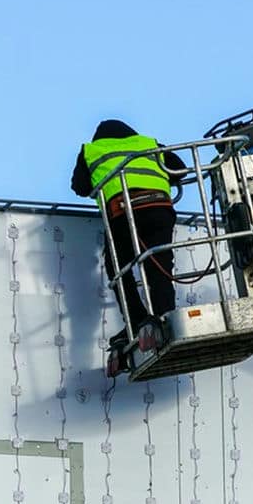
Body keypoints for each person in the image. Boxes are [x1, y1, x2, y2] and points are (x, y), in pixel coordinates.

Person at [72, 119, 185, 353]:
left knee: (118, 268)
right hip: (160, 208)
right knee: (159, 262)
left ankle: (136, 321)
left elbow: (80, 187)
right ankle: (163, 315)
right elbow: (179, 169)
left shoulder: (92, 151)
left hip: (123, 212)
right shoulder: (149, 143)